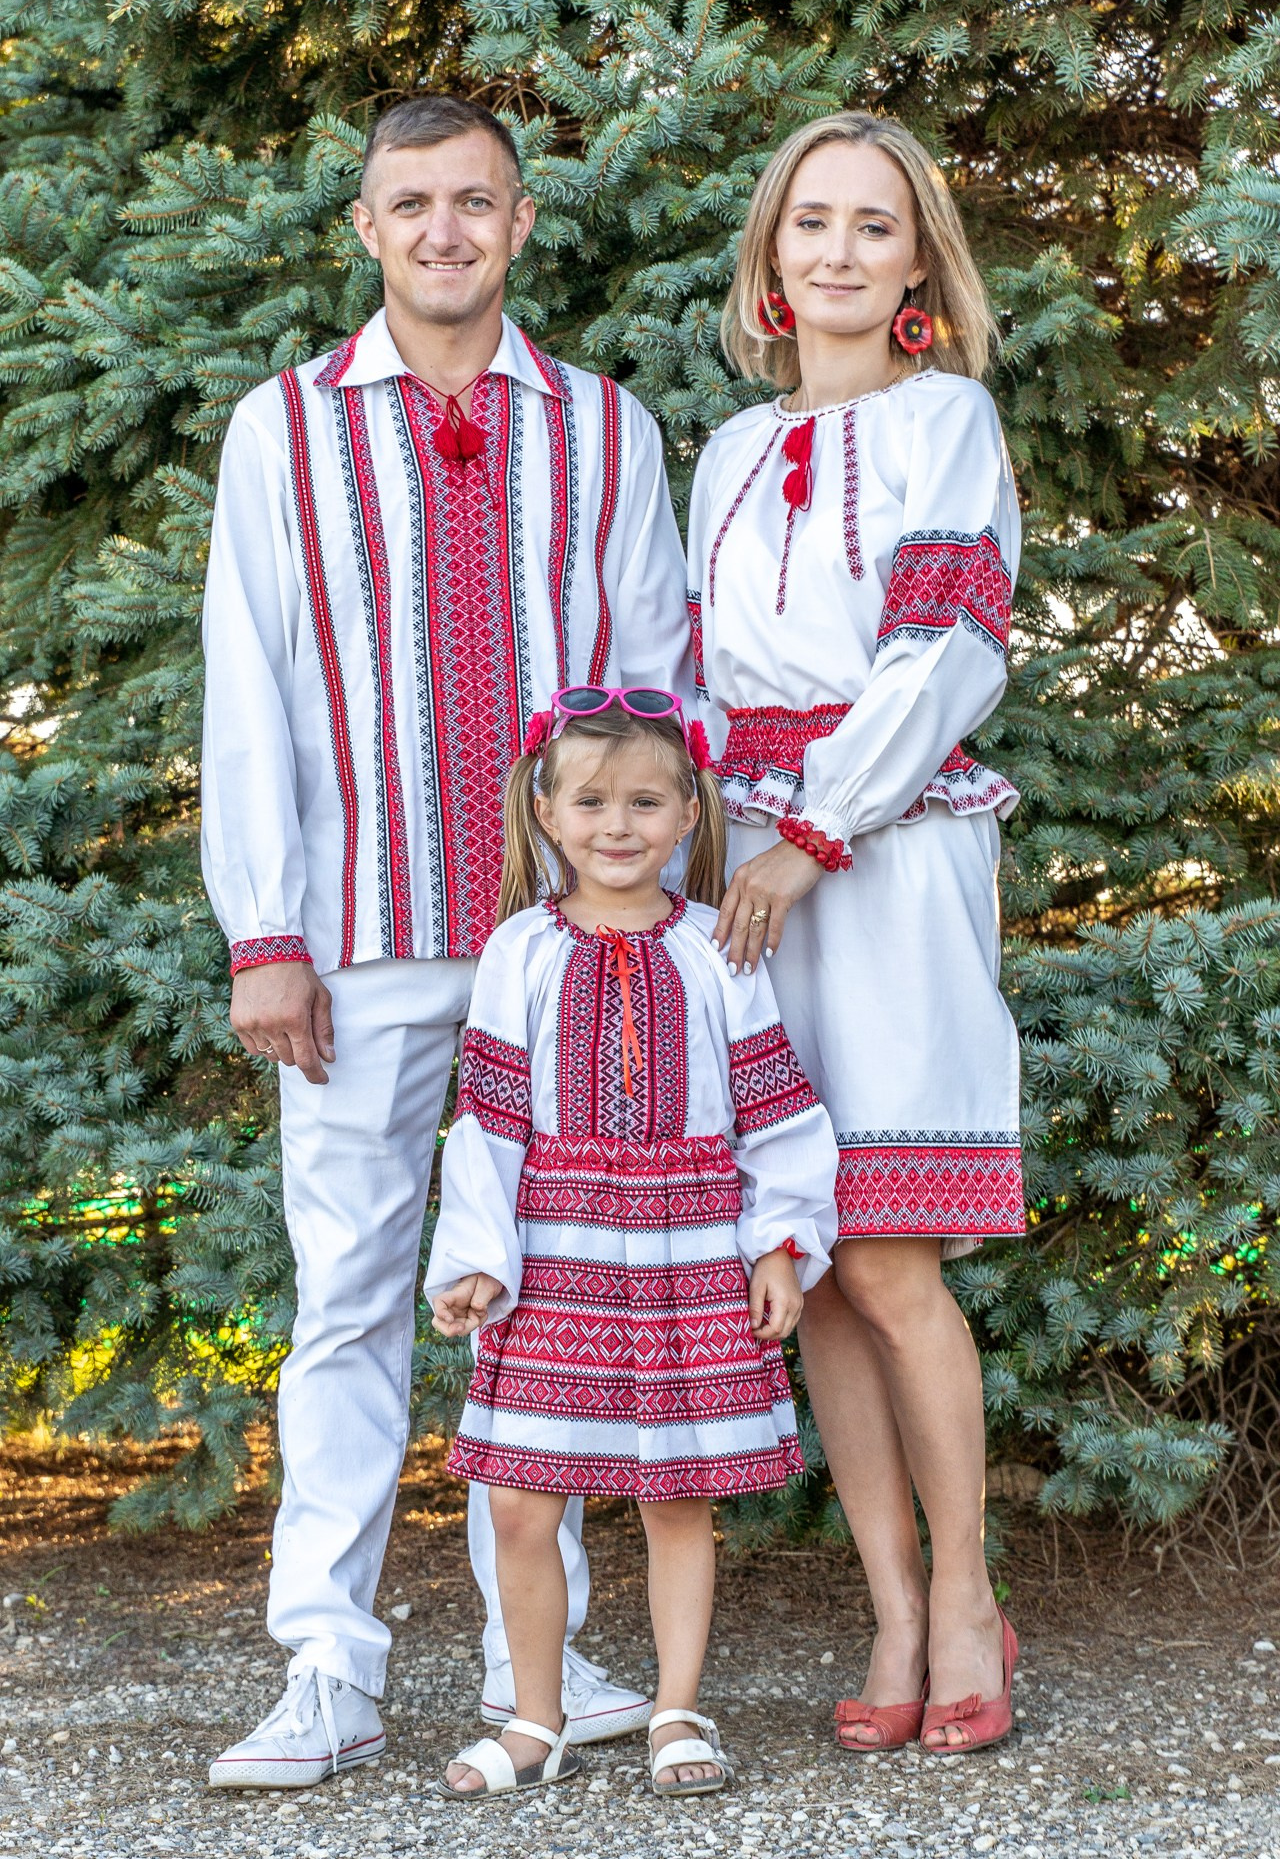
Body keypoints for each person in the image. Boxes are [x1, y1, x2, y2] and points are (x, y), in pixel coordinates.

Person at [201, 95, 693, 1789]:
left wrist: (643, 917)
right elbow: (247, 690)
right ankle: (326, 1666)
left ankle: (531, 1654)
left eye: (472, 202)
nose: (442, 232)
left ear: (522, 221)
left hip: (559, 952)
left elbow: (655, 689)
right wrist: (264, 930)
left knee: (540, 1299)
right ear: (365, 228)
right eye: (409, 205)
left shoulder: (610, 432)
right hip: (356, 943)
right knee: (346, 1297)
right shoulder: (286, 431)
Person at [687, 111, 1025, 1755]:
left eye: (871, 228)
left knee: (890, 1251)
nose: (834, 250)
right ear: (770, 259)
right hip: (745, 863)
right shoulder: (728, 454)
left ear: (914, 263)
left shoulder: (944, 418)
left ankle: (969, 1597)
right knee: (809, 1264)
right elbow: (699, 683)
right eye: (807, 223)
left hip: (879, 851)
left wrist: (819, 831)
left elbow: (948, 643)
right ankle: (890, 1616)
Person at [424, 691, 839, 1799]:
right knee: (520, 1494)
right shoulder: (516, 951)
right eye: (592, 801)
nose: (619, 824)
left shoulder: (718, 946)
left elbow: (774, 1107)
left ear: (688, 815)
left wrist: (775, 1245)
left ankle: (675, 1710)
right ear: (547, 816)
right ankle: (532, 1720)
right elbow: (491, 1114)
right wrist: (475, 1251)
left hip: (688, 1241)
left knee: (675, 1491)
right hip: (552, 1242)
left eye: (646, 801)